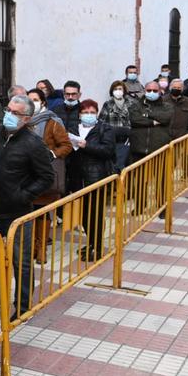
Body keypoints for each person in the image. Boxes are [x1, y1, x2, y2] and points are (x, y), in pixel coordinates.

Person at [0, 96, 53, 317]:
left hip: (17, 212)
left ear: (27, 118)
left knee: (21, 261)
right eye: (8, 110)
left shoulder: (33, 144)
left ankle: (22, 306)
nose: (8, 115)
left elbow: (46, 177)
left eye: (15, 113)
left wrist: (24, 195)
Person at [26, 88, 71, 263]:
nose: (32, 103)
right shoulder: (24, 120)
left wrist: (51, 154)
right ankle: (32, 247)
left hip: (45, 174)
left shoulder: (52, 122)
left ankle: (42, 247)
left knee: (43, 212)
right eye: (29, 100)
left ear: (43, 102)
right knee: (30, 212)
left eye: (35, 100)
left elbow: (66, 145)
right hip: (27, 174)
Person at [66, 100, 115, 261]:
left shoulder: (104, 129)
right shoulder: (73, 128)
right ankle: (91, 243)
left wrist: (87, 146)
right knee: (85, 213)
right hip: (77, 176)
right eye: (85, 112)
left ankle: (98, 247)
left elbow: (108, 150)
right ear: (79, 114)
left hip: (96, 176)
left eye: (92, 112)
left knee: (96, 212)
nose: (88, 115)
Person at [129, 81, 174, 160]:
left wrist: (147, 114)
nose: (151, 92)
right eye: (149, 90)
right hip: (138, 150)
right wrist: (152, 122)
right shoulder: (136, 105)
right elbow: (134, 119)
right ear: (144, 91)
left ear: (160, 91)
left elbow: (165, 118)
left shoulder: (167, 106)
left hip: (159, 151)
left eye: (155, 91)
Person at [100, 80, 134, 169]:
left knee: (125, 164)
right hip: (112, 139)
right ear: (112, 91)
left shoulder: (131, 103)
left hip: (127, 140)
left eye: (120, 89)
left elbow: (134, 119)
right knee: (113, 164)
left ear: (124, 91)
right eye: (115, 89)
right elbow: (101, 121)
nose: (118, 91)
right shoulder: (107, 104)